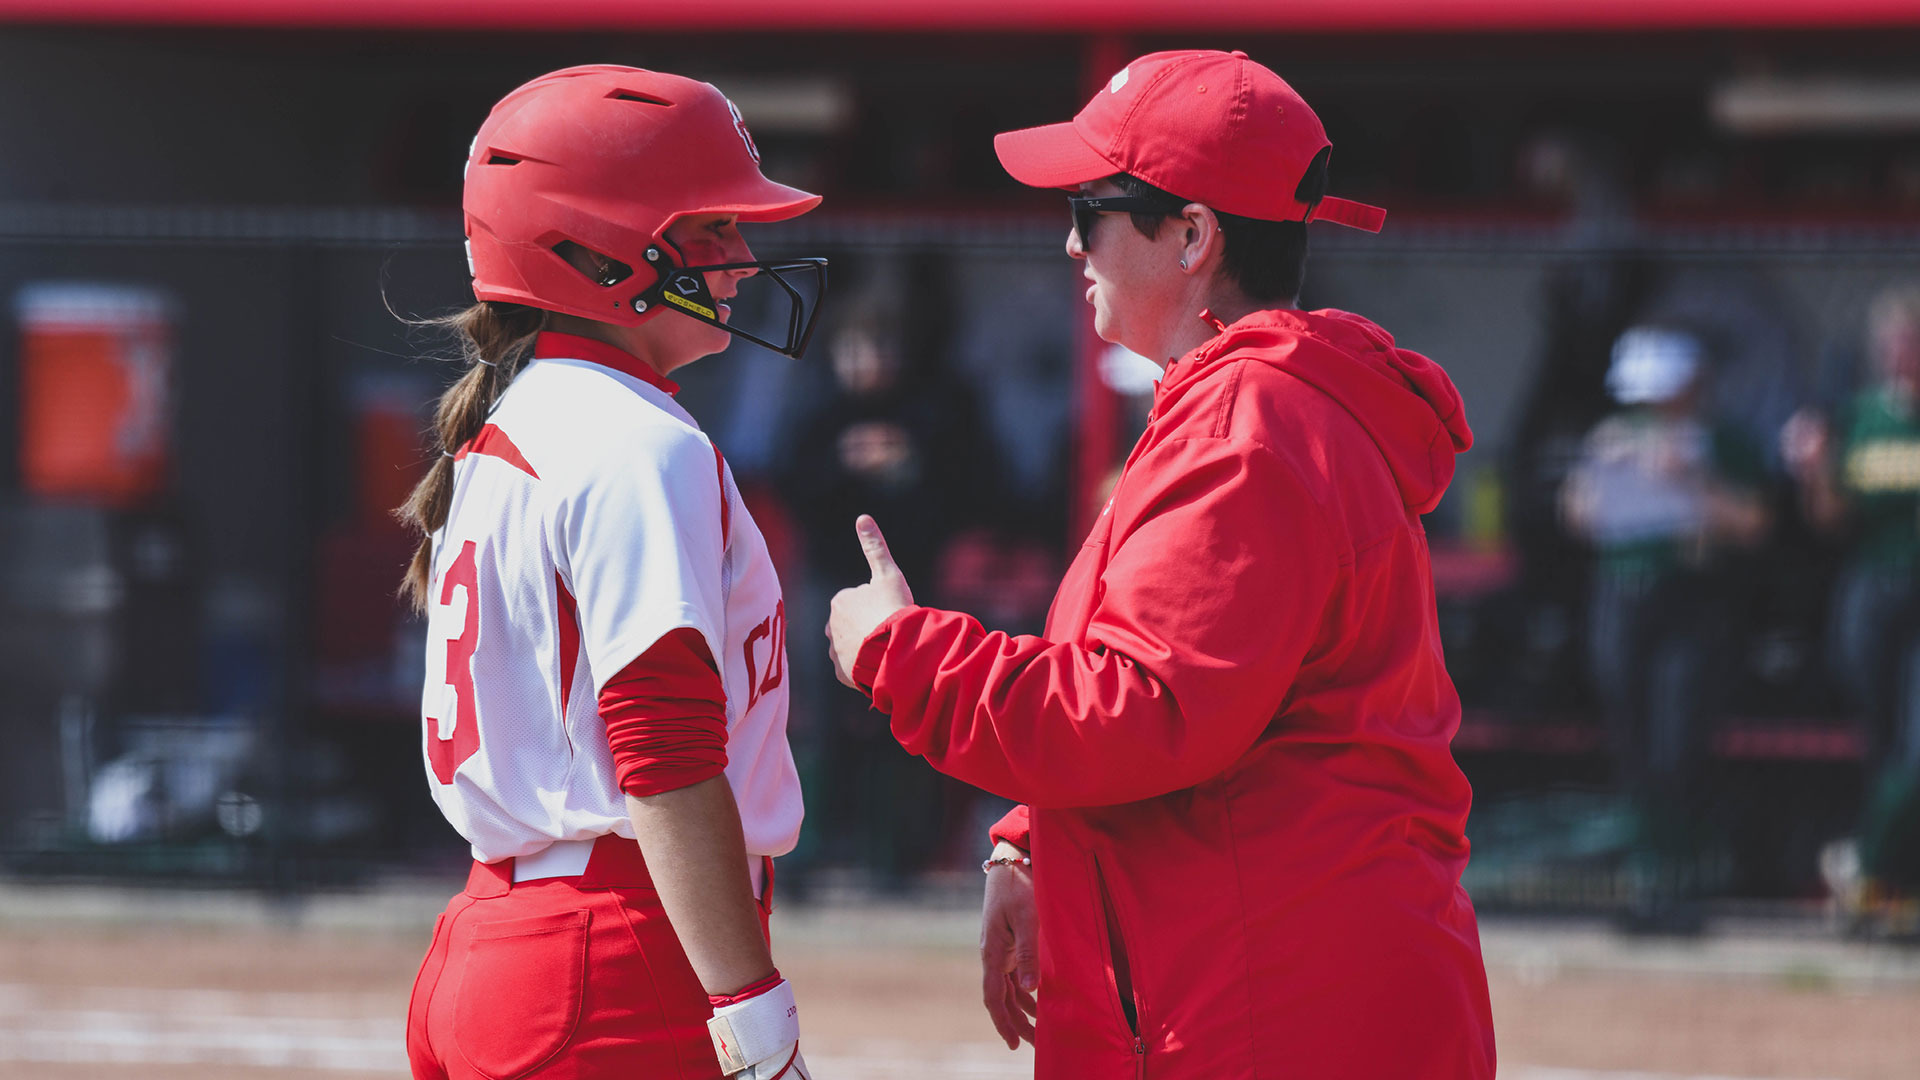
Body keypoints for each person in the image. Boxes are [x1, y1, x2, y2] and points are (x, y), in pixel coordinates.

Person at [825, 49, 1495, 1080]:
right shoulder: (1247, 401)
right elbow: (1165, 670)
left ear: (1191, 235)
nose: (1068, 241)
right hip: (1274, 979)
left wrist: (898, 653)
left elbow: (1141, 709)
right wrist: (1028, 842)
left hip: (1274, 1007)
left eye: (1092, 207)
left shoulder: (1248, 421)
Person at [396, 65, 826, 1080]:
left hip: (499, 940)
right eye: (711, 230)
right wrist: (751, 1002)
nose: (742, 258)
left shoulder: (526, 416)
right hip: (614, 959)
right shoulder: (634, 440)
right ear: (597, 248)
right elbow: (665, 747)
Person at [1560, 325, 1769, 930]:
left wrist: (1689, 478)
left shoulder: (1722, 441)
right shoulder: (1613, 437)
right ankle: (1646, 883)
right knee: (1631, 744)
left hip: (1690, 599)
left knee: (1677, 743)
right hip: (1621, 600)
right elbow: (1579, 517)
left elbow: (1754, 523)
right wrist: (1603, 475)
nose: (1650, 409)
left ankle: (1685, 881)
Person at [1783, 284, 1920, 934]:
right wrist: (1816, 472)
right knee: (1884, 746)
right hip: (1872, 595)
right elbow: (1831, 519)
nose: (1902, 357)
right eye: (1894, 346)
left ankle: (1862, 863)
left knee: (1914, 753)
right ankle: (1889, 894)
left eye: (1912, 344)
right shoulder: (1864, 417)